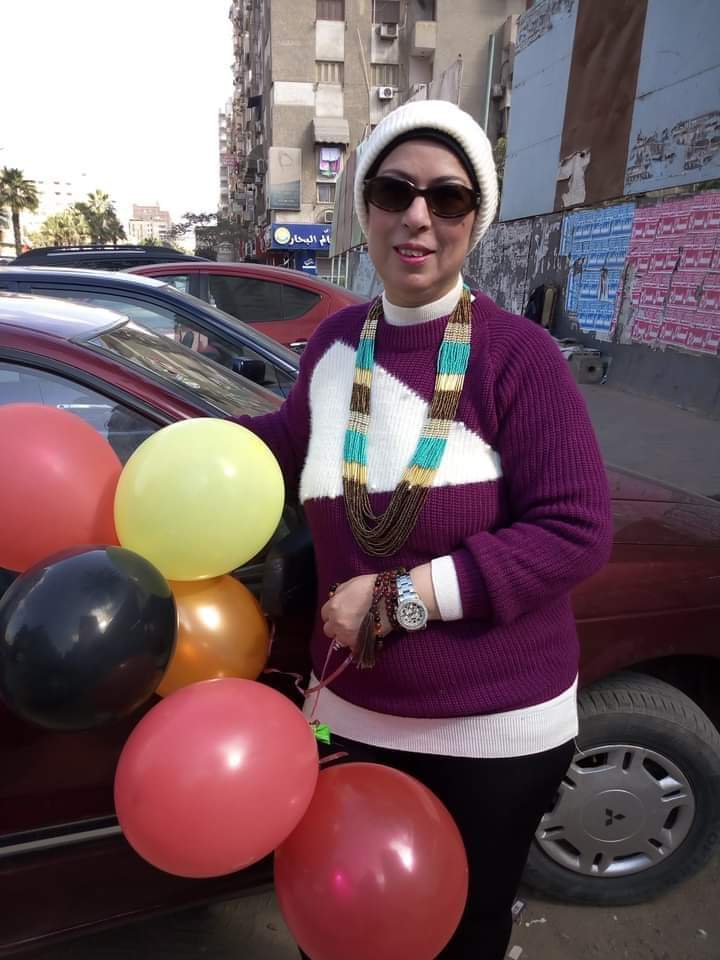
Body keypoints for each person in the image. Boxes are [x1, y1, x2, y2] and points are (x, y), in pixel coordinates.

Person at [237, 99, 613, 960]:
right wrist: (166, 453)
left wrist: (400, 598)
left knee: (459, 932)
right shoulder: (336, 345)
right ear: (365, 207)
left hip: (493, 732)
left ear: (474, 219)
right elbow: (287, 445)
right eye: (394, 191)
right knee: (342, 925)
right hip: (350, 715)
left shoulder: (519, 356)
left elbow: (576, 529)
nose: (417, 217)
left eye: (447, 198)